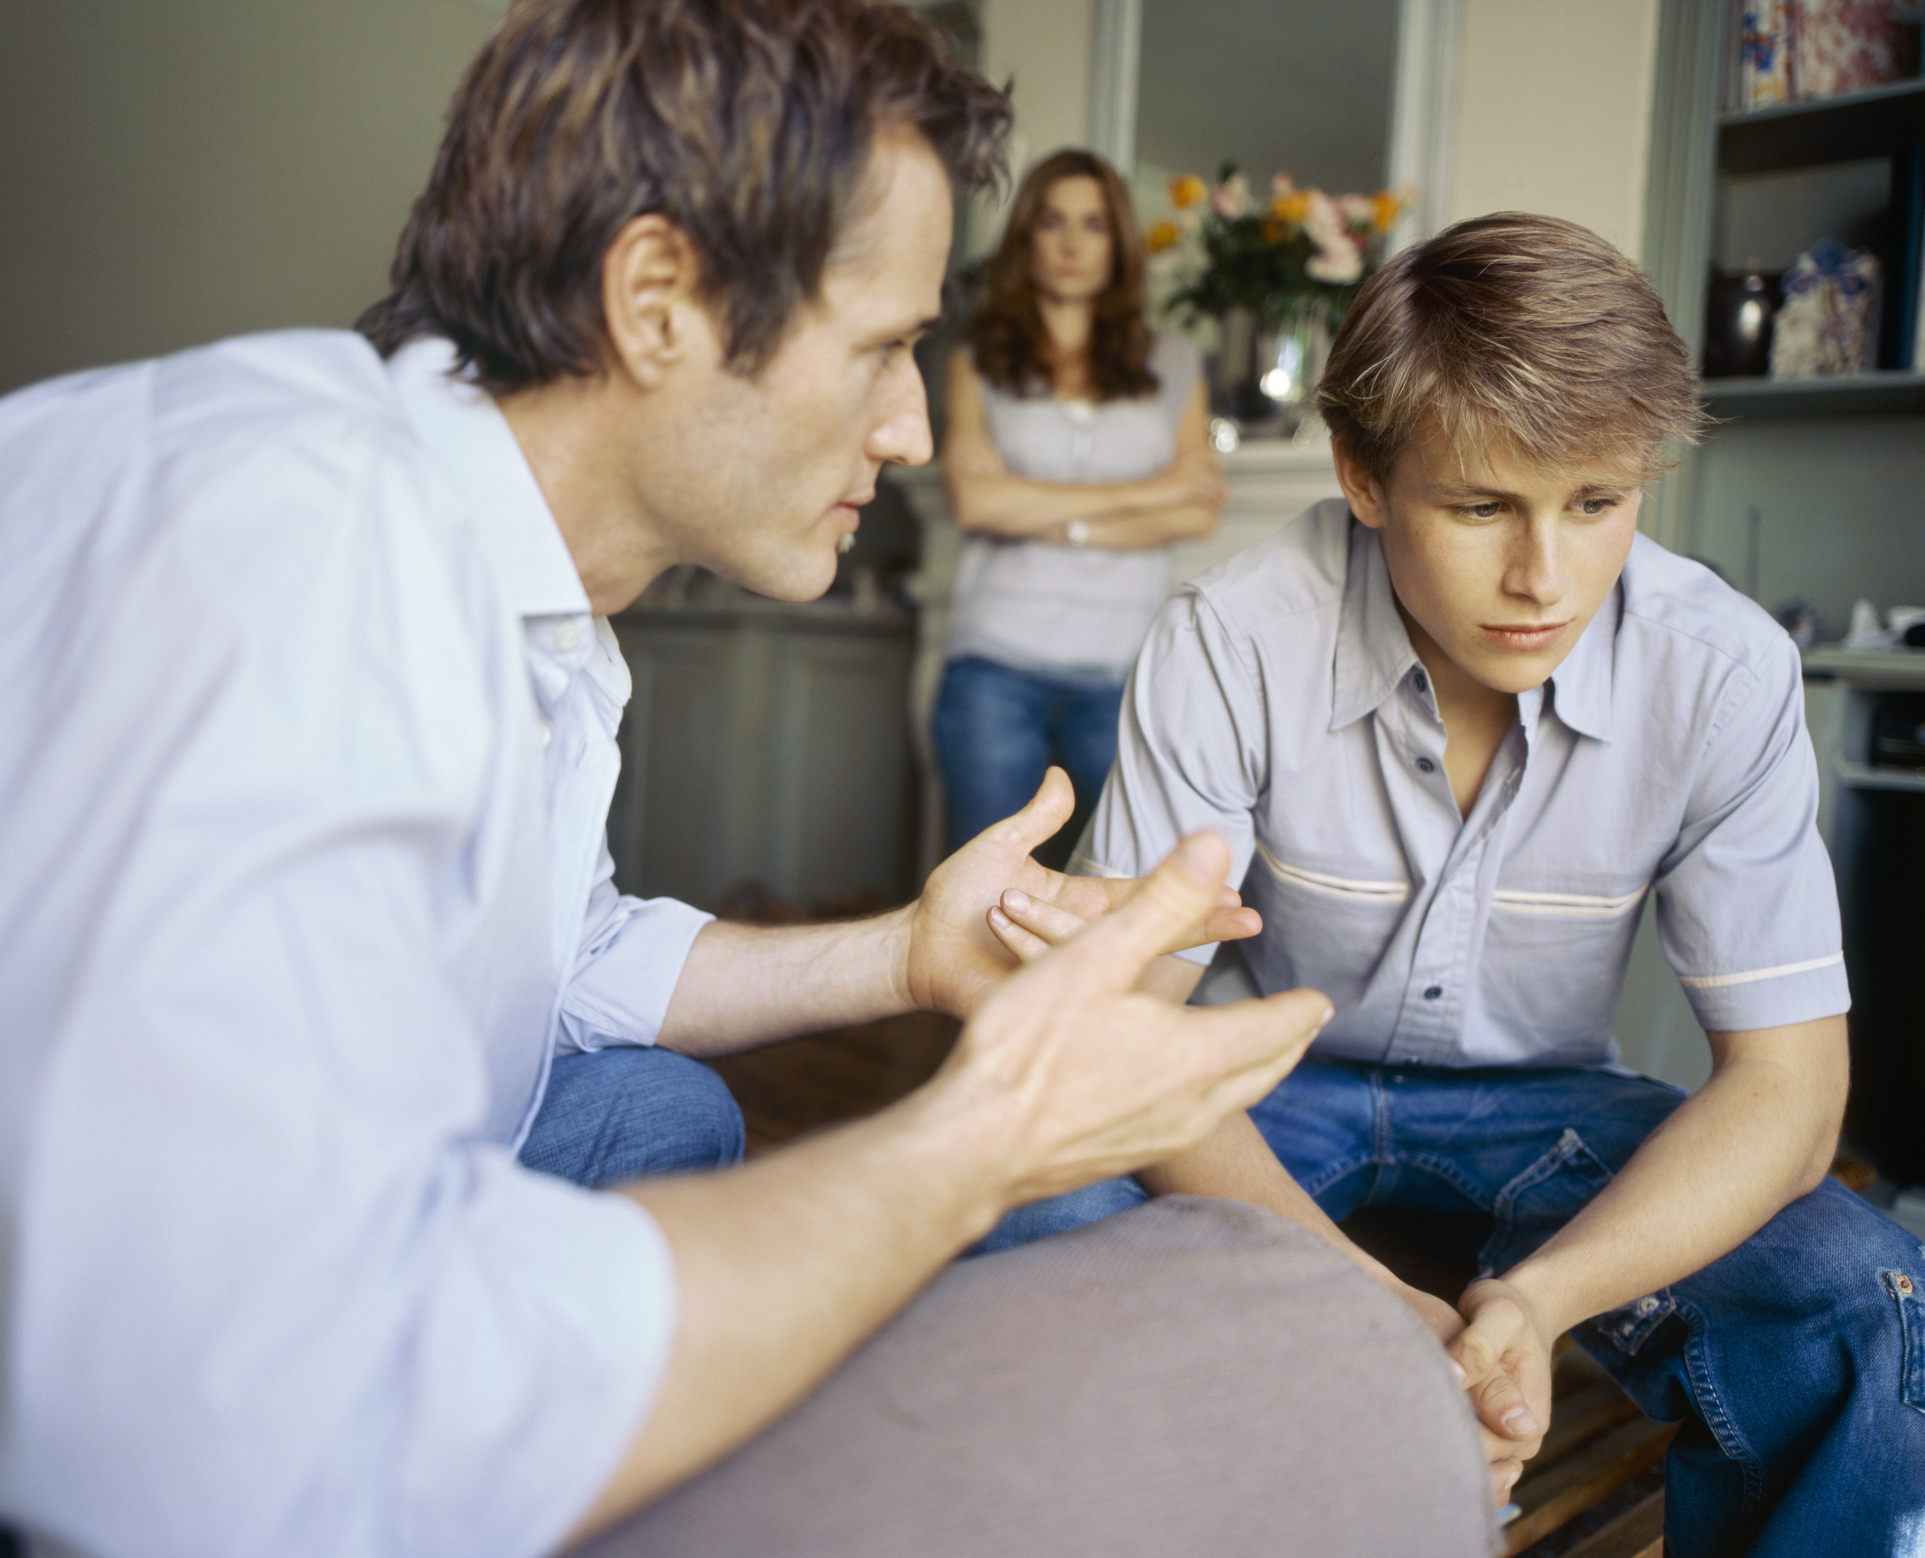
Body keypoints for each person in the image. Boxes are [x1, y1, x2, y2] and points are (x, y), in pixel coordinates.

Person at [0, 4, 1496, 1556]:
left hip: (282, 1307)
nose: (912, 429)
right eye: (883, 349)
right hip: (197, 1437)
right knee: (1332, 1366)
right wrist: (983, 1133)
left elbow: (555, 955)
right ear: (659, 299)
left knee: (658, 1107)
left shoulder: (530, 596)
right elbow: (223, 1437)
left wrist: (915, 954)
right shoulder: (293, 554)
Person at [987, 213, 1925, 1556]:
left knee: (1867, 1293)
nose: (1545, 578)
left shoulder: (1722, 671)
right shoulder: (1232, 637)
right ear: (1361, 475)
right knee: (1027, 1219)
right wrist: (1368, 1297)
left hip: (1544, 1109)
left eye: (1596, 503)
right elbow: (1119, 1032)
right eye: (1481, 505)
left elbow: (1788, 1088)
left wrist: (1538, 1301)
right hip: (1253, 1081)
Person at [933, 149, 1224, 867]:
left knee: (1120, 887)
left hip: (1117, 671)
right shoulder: (977, 362)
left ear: (1116, 242)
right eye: (1051, 222)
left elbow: (1195, 512)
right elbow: (974, 502)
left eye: (1092, 224)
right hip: (993, 665)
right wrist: (1142, 490)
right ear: (1026, 236)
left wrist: (1049, 514)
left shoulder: (1174, 363)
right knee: (983, 893)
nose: (1069, 243)